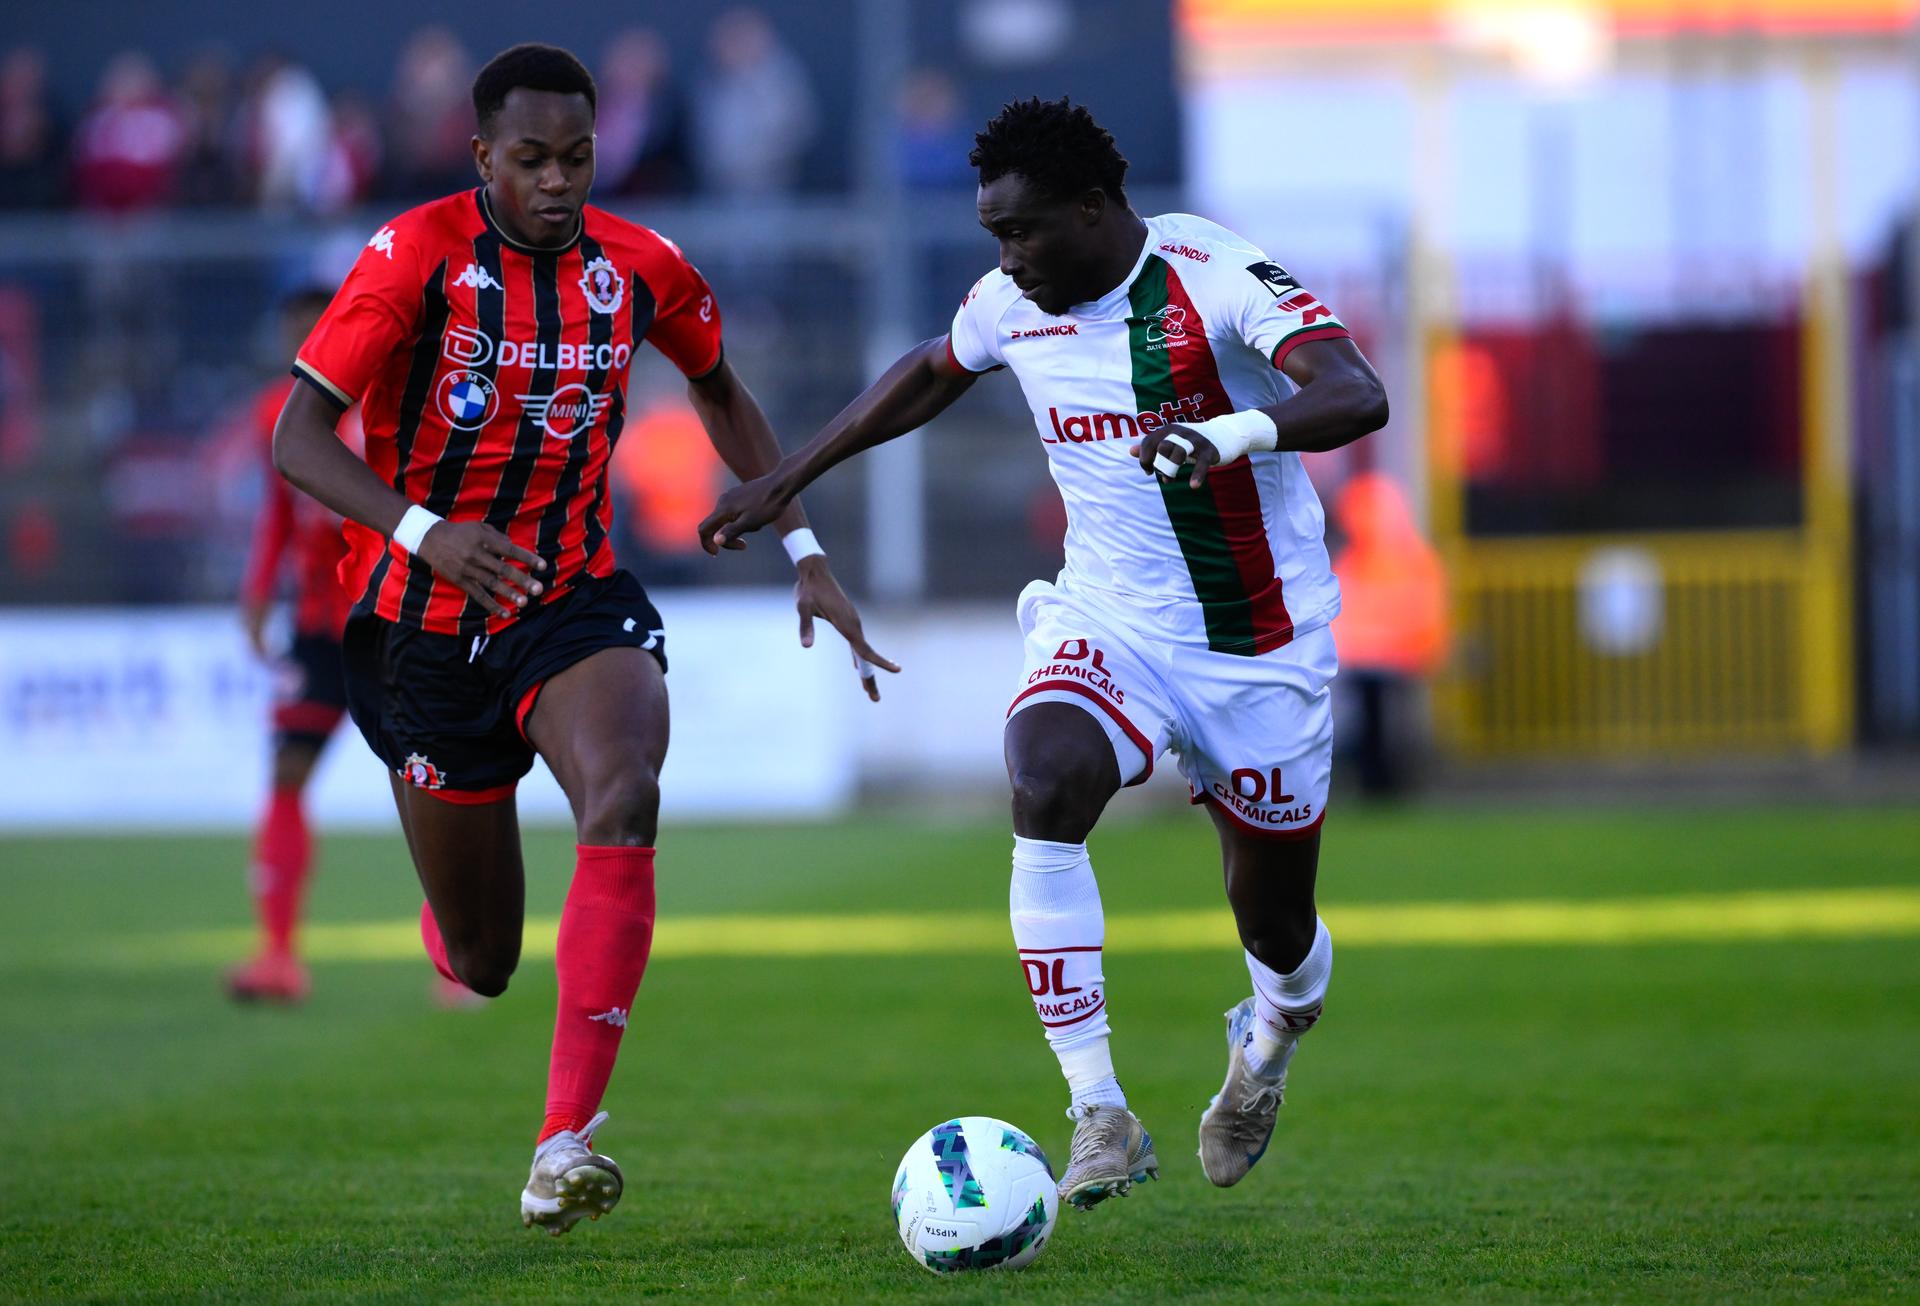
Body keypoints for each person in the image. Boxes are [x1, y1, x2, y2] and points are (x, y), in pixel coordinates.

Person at [701, 97, 1388, 1209]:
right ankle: (1099, 1108)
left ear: (1094, 206)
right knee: (1044, 776)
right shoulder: (1012, 301)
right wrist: (790, 477)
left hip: (1256, 647)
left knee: (1279, 930)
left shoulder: (1208, 272)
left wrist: (1231, 430)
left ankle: (1266, 1042)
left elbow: (1358, 391)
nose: (1007, 261)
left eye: (1021, 232)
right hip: (1107, 618)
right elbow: (931, 368)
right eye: (992, 237)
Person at [271, 43, 893, 1235]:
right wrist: (424, 531)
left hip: (570, 599)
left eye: (577, 158)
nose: (557, 182)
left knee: (623, 795)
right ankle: (453, 921)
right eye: (531, 160)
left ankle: (564, 1144)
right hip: (419, 625)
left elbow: (720, 387)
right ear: (482, 158)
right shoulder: (413, 257)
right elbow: (299, 438)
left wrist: (806, 552)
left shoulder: (641, 266)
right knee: (486, 958)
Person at [225, 288, 354, 1004]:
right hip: (313, 627)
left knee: (435, 784)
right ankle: (277, 955)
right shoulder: (277, 411)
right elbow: (278, 509)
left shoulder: (391, 403)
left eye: (317, 330)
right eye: (295, 333)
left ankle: (455, 958)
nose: (306, 345)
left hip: (394, 620)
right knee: (285, 774)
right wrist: (256, 593)